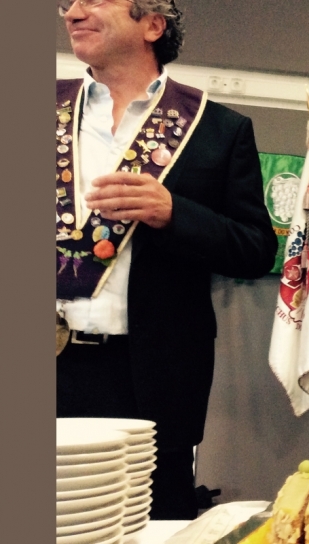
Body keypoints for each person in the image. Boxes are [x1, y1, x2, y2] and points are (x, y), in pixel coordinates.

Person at [56, 0, 277, 519]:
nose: (72, 10)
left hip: (153, 373)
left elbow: (255, 248)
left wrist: (175, 213)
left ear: (153, 24)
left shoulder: (218, 129)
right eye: (68, 2)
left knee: (155, 522)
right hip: (51, 363)